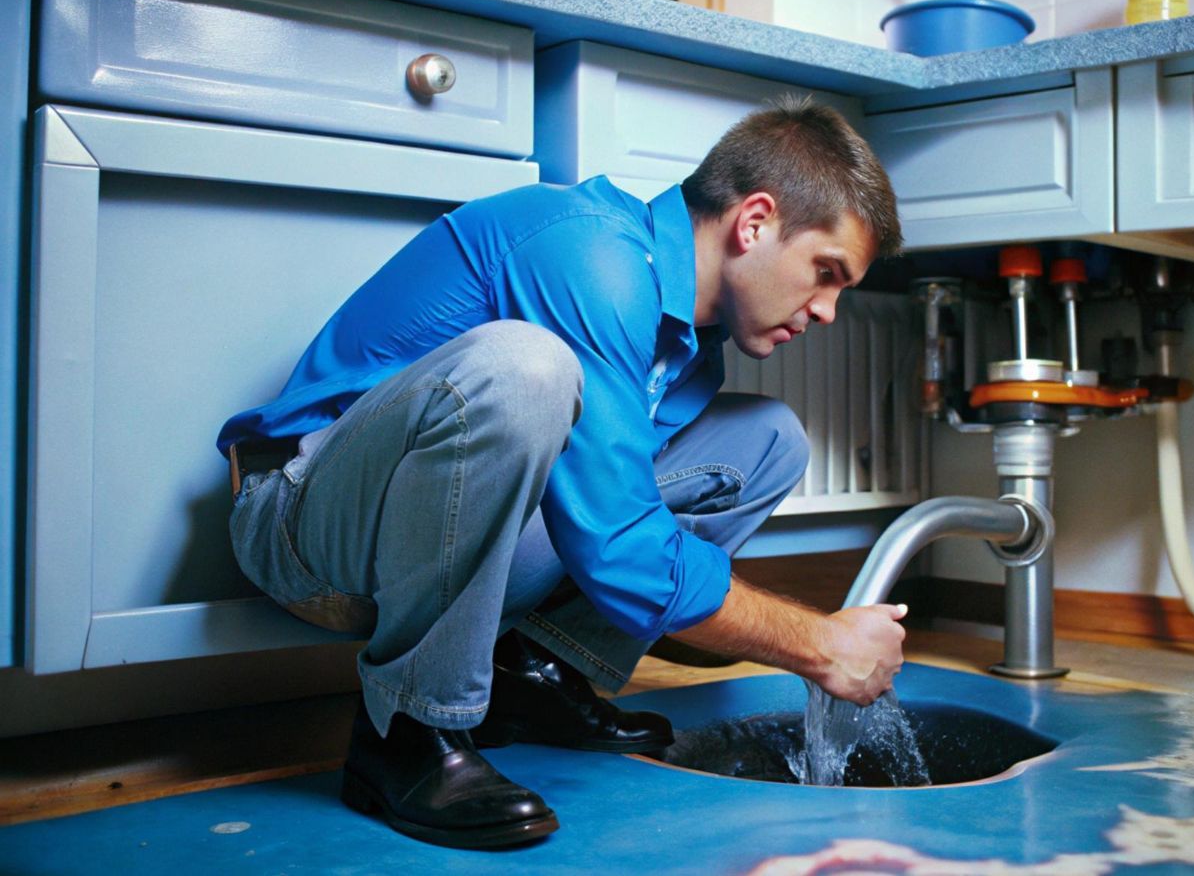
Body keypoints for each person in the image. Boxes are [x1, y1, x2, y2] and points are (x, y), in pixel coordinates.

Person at [218, 96, 907, 850]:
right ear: (754, 223)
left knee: (769, 438)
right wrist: (819, 644)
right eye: (826, 272)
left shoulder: (689, 350)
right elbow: (620, 546)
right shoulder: (589, 255)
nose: (830, 310)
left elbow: (609, 518)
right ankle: (406, 728)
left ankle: (535, 673)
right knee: (526, 369)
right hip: (309, 529)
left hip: (440, 539)